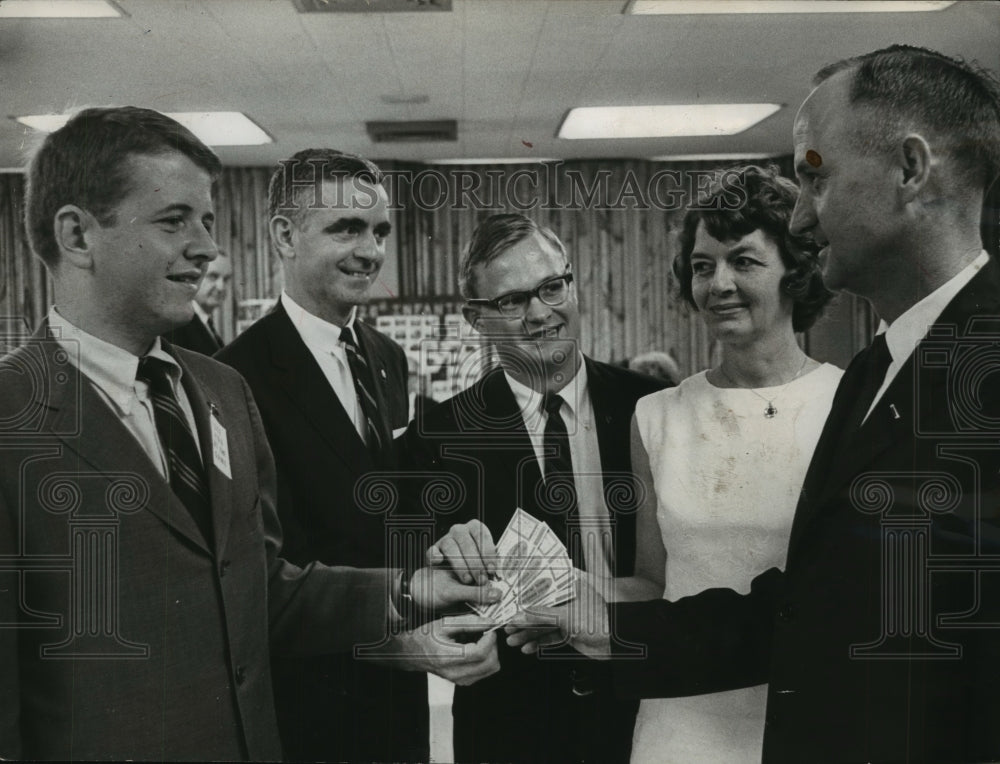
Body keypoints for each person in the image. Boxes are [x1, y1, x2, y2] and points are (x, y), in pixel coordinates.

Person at [507, 45, 1000, 763]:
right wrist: (611, 627)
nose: (800, 218)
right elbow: (809, 606)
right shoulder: (874, 373)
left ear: (911, 170)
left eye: (814, 176)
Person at [0, 106, 499, 762]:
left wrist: (407, 590)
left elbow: (260, 586)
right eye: (174, 220)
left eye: (207, 220)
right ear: (76, 235)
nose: (208, 247)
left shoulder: (219, 392)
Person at [406, 213, 668, 763]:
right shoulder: (436, 439)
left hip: (647, 711)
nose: (541, 313)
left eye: (552, 286)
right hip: (512, 727)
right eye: (512, 300)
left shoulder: (652, 406)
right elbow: (419, 600)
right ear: (475, 318)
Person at [622, 165, 840, 763]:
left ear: (797, 271)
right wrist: (565, 599)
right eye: (702, 265)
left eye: (743, 261)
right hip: (681, 724)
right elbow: (651, 582)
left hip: (806, 717)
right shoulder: (656, 416)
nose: (718, 283)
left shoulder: (848, 406)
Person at [216, 148, 426, 762]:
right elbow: (259, 579)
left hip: (400, 697)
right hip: (308, 705)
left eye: (380, 231)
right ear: (285, 234)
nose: (371, 251)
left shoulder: (387, 359)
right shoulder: (234, 377)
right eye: (347, 229)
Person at [165, 249, 233, 354]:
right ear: (191, 277)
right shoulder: (178, 325)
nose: (221, 287)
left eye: (226, 279)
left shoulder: (206, 322)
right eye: (213, 276)